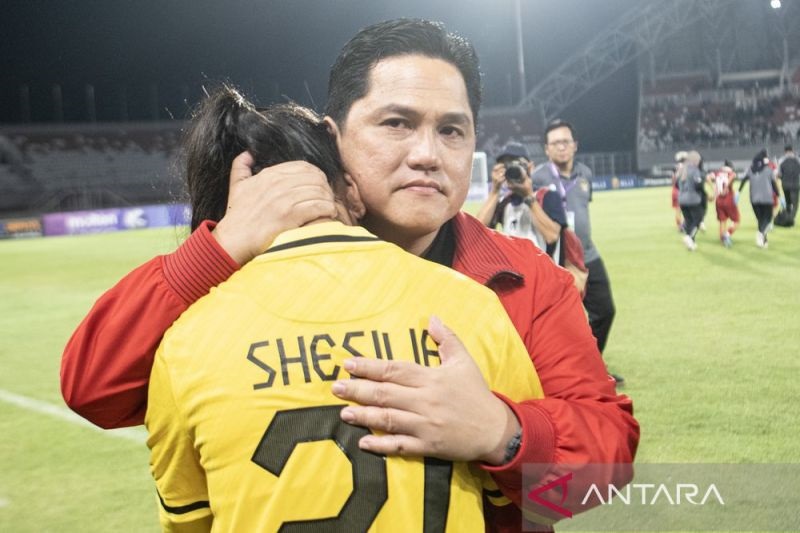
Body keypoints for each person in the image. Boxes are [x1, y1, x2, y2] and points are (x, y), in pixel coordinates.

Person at [61, 19, 638, 531]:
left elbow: (602, 470)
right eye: (396, 123)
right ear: (334, 138)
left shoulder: (522, 279)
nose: (427, 154)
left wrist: (501, 433)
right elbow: (95, 390)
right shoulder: (242, 272)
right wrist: (225, 245)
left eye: (452, 131)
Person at [146, 86, 544, 531]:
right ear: (350, 190)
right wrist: (501, 437)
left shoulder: (186, 342)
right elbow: (542, 497)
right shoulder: (471, 308)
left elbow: (190, 521)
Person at [530, 119, 622, 384]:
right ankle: (559, 374)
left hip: (587, 255)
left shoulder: (585, 174)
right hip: (554, 261)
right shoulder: (538, 178)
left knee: (605, 311)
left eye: (566, 142)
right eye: (555, 143)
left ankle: (592, 368)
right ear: (546, 149)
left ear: (575, 145)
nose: (561, 147)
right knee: (555, 322)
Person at [475, 142, 567, 264]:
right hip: (515, 275)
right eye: (506, 165)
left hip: (544, 276)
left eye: (517, 163)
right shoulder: (505, 202)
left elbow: (551, 236)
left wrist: (528, 196)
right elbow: (477, 231)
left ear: (530, 167)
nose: (512, 169)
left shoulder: (547, 196)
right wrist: (495, 190)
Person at [739, 148, 783, 248]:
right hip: (767, 199)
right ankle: (760, 234)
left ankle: (764, 240)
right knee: (767, 220)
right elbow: (774, 185)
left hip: (754, 200)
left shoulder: (751, 170)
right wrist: (780, 197)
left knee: (761, 220)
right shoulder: (768, 170)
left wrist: (738, 192)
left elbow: (743, 180)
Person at [676, 150, 705, 251]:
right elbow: (698, 184)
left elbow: (676, 184)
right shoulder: (694, 169)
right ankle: (688, 237)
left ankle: (691, 243)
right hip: (692, 199)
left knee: (688, 221)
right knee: (698, 219)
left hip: (681, 199)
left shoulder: (681, 169)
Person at [708, 160, 739, 247]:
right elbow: (733, 176)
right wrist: (726, 186)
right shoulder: (731, 172)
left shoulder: (717, 172)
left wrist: (714, 188)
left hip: (718, 200)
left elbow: (708, 178)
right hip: (728, 198)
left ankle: (722, 240)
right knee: (736, 220)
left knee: (722, 221)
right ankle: (727, 234)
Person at [777, 143, 800, 225]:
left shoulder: (781, 161)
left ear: (785, 151)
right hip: (795, 185)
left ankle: (787, 219)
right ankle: (789, 220)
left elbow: (778, 174)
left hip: (785, 185)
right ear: (792, 150)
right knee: (795, 205)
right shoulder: (798, 160)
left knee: (788, 204)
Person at [672, 151, 687, 231]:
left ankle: (679, 227)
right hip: (682, 190)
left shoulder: (675, 167)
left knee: (678, 210)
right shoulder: (685, 167)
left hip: (675, 190)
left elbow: (673, 179)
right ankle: (684, 225)